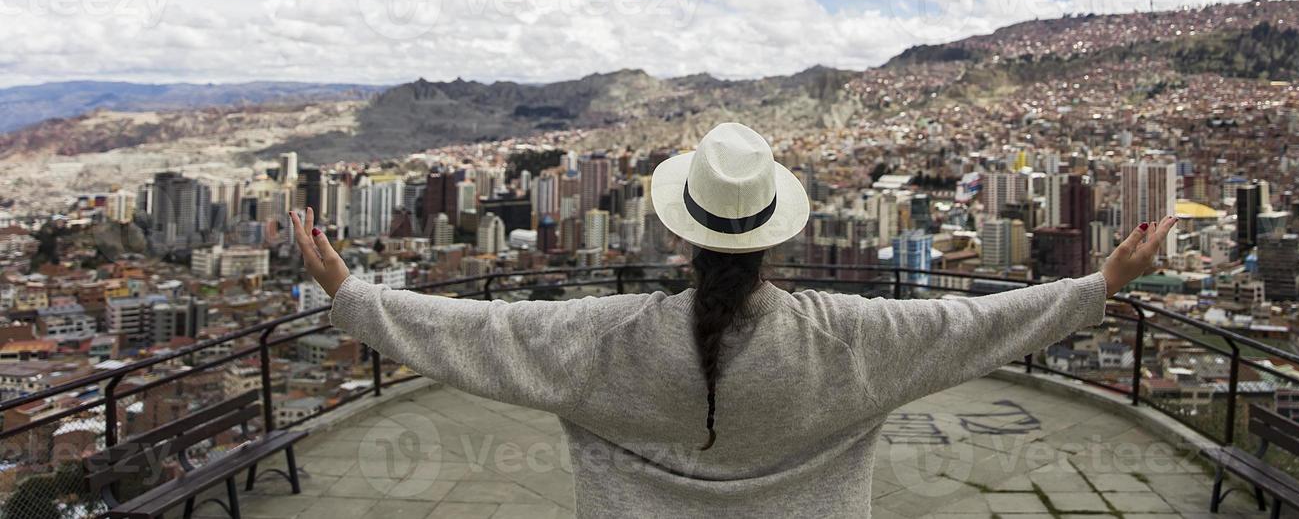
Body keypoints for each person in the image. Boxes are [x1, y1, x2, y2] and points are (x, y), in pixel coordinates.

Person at [293, 121, 1178, 518]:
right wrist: (1101, 283)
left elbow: (476, 333)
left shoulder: (607, 338)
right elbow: (974, 325)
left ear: (683, 234)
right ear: (774, 234)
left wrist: (352, 296)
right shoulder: (847, 338)